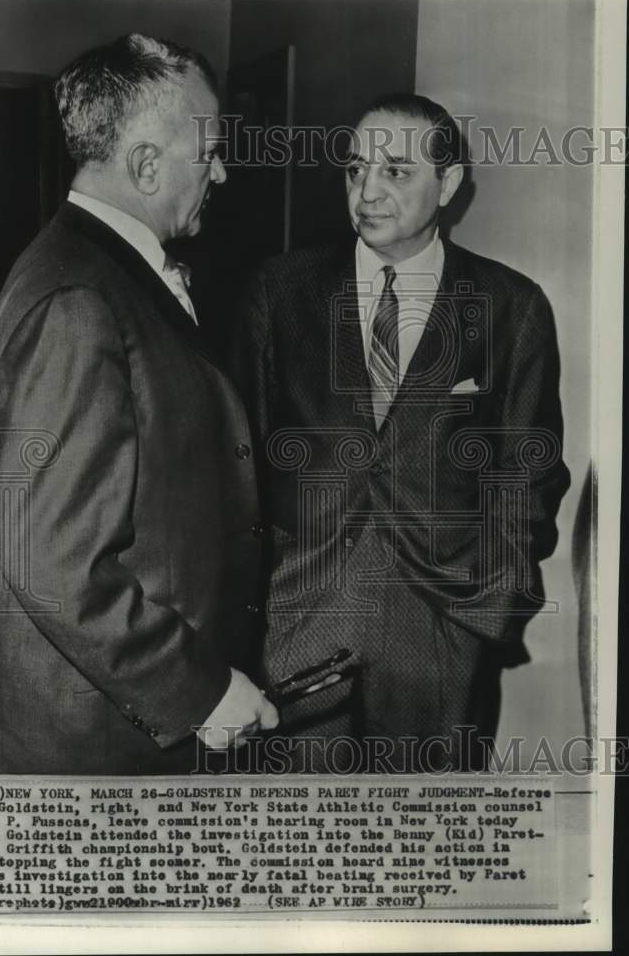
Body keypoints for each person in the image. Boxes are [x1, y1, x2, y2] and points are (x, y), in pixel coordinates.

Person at [0, 34, 278, 775]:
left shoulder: (98, 269)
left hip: (104, 728)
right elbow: (56, 561)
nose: (221, 171)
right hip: (84, 748)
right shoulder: (78, 296)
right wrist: (200, 692)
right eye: (211, 150)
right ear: (147, 165)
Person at [229, 93, 570, 773]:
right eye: (356, 171)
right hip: (301, 619)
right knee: (295, 847)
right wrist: (249, 612)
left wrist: (487, 609)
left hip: (441, 631)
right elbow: (237, 461)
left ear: (448, 183)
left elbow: (528, 472)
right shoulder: (280, 290)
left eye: (396, 173)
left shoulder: (512, 306)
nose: (368, 193)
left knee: (423, 841)